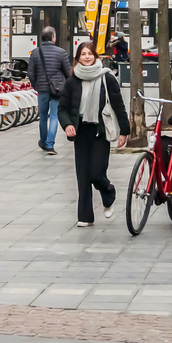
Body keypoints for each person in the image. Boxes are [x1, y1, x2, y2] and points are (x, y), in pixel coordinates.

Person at [58, 42, 129, 227]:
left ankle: (108, 193)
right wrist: (67, 125)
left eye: (90, 53)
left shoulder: (107, 78)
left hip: (100, 131)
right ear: (78, 58)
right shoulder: (72, 81)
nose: (87, 57)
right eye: (83, 54)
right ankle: (85, 216)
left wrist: (124, 131)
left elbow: (118, 105)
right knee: (82, 175)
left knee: (97, 172)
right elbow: (63, 108)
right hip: (81, 131)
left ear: (96, 56)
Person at [27, 27, 71, 155]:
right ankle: (51, 145)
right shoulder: (61, 52)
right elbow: (68, 72)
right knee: (54, 116)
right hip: (57, 89)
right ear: (53, 38)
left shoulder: (35, 53)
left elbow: (30, 73)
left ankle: (44, 142)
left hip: (41, 89)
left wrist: (36, 85)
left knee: (43, 117)